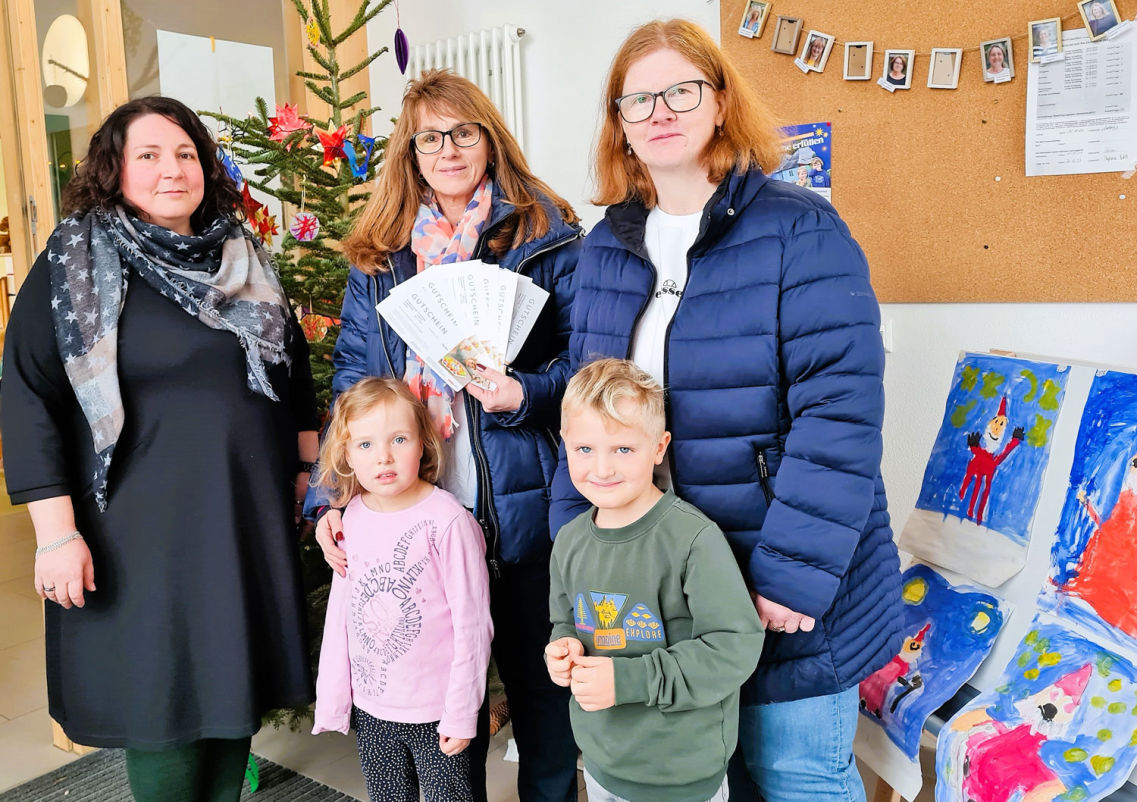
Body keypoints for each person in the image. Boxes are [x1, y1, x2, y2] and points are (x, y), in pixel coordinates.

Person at [551, 19, 903, 802]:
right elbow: (587, 418)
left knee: (793, 776)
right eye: (635, 99)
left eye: (680, 90)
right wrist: (572, 551)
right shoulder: (604, 248)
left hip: (779, 575)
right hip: (656, 586)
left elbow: (838, 419)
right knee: (688, 782)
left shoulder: (799, 227)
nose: (658, 110)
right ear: (619, 123)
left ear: (719, 103)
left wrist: (787, 577)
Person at [1, 96, 317, 801]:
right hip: (137, 529)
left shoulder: (242, 254)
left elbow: (292, 371)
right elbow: (27, 398)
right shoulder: (71, 263)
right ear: (115, 170)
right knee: (163, 710)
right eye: (148, 155)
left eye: (185, 154)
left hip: (241, 517)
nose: (171, 170)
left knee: (232, 695)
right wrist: (55, 537)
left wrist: (304, 471)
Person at [308, 69, 583, 802]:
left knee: (540, 698)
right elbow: (352, 384)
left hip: (521, 506)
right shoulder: (379, 254)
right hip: (408, 509)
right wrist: (330, 497)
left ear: (488, 138)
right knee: (430, 701)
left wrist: (526, 392)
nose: (448, 149)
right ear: (411, 151)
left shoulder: (546, 236)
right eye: (430, 137)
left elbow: (584, 365)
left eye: (463, 131)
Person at [546, 358, 764, 802]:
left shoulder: (693, 539)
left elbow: (734, 646)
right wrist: (563, 647)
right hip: (602, 761)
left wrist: (627, 682)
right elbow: (565, 620)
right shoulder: (568, 540)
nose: (602, 469)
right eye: (585, 450)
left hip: (680, 773)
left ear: (659, 448)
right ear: (565, 444)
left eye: (623, 449)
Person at [311, 377, 493, 802]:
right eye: (366, 445)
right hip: (374, 710)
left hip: (437, 712)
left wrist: (462, 712)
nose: (384, 457)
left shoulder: (446, 522)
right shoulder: (350, 518)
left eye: (399, 439)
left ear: (423, 442)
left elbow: (473, 626)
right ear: (347, 455)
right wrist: (336, 698)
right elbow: (341, 616)